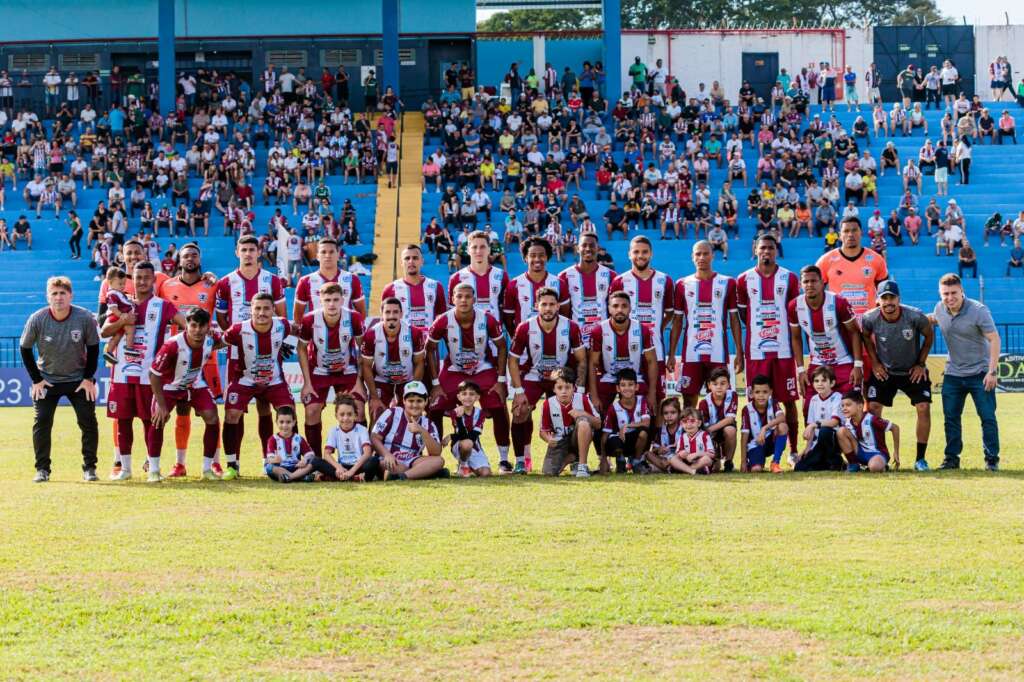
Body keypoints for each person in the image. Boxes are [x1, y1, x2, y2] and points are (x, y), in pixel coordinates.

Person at [101, 262, 186, 481]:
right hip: (121, 375)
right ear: (132, 279)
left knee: (152, 422)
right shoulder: (122, 303)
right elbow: (104, 332)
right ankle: (126, 469)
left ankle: (154, 469)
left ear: (153, 280)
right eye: (138, 277)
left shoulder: (162, 306)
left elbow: (187, 326)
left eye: (147, 277)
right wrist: (122, 320)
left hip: (150, 377)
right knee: (123, 421)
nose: (142, 282)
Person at [215, 236, 287, 465]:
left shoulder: (273, 281)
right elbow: (221, 316)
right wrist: (240, 337)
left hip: (269, 353)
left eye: (251, 250)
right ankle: (233, 462)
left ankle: (268, 459)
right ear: (237, 252)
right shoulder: (226, 283)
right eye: (243, 249)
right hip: (238, 357)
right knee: (235, 409)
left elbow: (282, 315)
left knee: (265, 407)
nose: (247, 254)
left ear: (259, 253)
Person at [21, 276, 100, 482]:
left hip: (78, 379)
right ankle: (42, 469)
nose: (58, 297)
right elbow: (25, 348)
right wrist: (36, 379)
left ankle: (89, 468)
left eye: (62, 293)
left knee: (88, 422)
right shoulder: (37, 318)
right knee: (42, 422)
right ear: (48, 297)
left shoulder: (84, 318)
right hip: (47, 379)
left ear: (70, 295)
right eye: (54, 293)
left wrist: (88, 378)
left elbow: (93, 349)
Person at [427, 283, 510, 467]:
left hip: (482, 368)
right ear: (452, 299)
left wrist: (501, 380)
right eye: (459, 296)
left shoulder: (487, 319)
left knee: (498, 404)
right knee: (435, 407)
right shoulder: (442, 320)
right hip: (455, 369)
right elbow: (430, 348)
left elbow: (503, 346)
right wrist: (435, 383)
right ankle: (433, 456)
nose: (463, 300)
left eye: (467, 296)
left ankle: (504, 459)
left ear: (475, 299)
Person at [507, 287, 586, 473]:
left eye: (552, 304)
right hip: (535, 375)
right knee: (519, 411)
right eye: (544, 304)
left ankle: (574, 458)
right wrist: (518, 392)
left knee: (574, 414)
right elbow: (513, 360)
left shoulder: (571, 327)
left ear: (558, 306)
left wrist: (579, 392)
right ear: (537, 306)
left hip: (561, 378)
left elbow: (582, 360)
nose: (548, 308)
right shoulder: (525, 327)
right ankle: (521, 460)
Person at [736, 235, 800, 458]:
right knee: (755, 402)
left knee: (789, 401)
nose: (766, 252)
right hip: (756, 352)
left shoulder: (790, 279)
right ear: (755, 249)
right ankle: (756, 450)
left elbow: (794, 312)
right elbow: (744, 313)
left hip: (783, 352)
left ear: (776, 251)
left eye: (770, 248)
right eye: (762, 248)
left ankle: (793, 451)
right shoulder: (743, 280)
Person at [220, 293, 297, 479]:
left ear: (273, 310)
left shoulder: (283, 326)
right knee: (231, 414)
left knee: (288, 412)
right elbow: (216, 343)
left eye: (266, 308)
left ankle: (281, 461)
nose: (261, 313)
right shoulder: (237, 330)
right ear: (251, 310)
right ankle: (232, 465)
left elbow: (302, 331)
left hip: (274, 380)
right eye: (257, 308)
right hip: (244, 380)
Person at [929, 273, 1001, 470]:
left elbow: (994, 339)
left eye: (954, 293)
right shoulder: (939, 308)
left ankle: (991, 459)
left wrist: (992, 371)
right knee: (951, 418)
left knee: (987, 417)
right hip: (953, 373)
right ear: (940, 294)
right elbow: (934, 319)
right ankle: (951, 459)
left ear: (962, 291)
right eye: (945, 294)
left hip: (980, 372)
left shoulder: (978, 310)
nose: (950, 298)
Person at [861, 280, 933, 471]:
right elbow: (865, 336)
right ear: (878, 300)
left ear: (898, 299)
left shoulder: (915, 316)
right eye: (884, 298)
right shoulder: (870, 318)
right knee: (873, 408)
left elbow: (929, 335)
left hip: (912, 371)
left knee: (923, 407)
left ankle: (920, 459)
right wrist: (875, 362)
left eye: (892, 297)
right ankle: (878, 454)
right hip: (886, 371)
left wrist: (920, 363)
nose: (888, 302)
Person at [147, 308, 224, 480]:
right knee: (158, 419)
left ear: (208, 327)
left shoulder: (211, 340)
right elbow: (153, 374)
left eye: (202, 326)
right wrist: (160, 405)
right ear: (186, 325)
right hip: (169, 387)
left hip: (194, 384)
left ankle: (207, 469)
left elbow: (228, 339)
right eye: (193, 325)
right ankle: (153, 470)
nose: (197, 330)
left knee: (212, 417)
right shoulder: (172, 345)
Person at [669, 241, 743, 408]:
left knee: (720, 400)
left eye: (705, 253)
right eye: (697, 254)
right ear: (692, 257)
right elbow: (677, 321)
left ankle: (718, 433)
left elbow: (734, 319)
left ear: (713, 255)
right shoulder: (682, 284)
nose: (701, 257)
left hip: (718, 353)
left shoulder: (727, 283)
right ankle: (691, 434)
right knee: (688, 400)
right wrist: (672, 353)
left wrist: (739, 351)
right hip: (691, 354)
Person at [297, 282, 365, 456]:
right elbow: (301, 348)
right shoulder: (309, 320)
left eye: (336, 299)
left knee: (358, 408)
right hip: (319, 372)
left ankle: (360, 457)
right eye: (327, 300)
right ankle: (316, 460)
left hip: (347, 371)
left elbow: (363, 350)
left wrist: (359, 382)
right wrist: (306, 382)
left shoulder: (354, 318)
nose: (332, 304)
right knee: (311, 411)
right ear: (321, 300)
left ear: (343, 300)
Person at [610, 236, 674, 400]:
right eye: (636, 252)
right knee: (628, 397)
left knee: (658, 398)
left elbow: (670, 312)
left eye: (644, 252)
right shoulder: (619, 281)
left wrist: (657, 328)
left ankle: (657, 427)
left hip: (657, 350)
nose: (640, 256)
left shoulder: (664, 280)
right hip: (627, 352)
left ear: (651, 254)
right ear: (629, 254)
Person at [788, 265, 863, 395]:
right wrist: (800, 370)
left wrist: (857, 365)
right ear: (800, 284)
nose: (810, 285)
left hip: (843, 360)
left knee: (851, 405)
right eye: (806, 281)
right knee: (810, 408)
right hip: (818, 362)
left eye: (814, 281)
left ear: (822, 283)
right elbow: (795, 337)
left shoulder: (838, 302)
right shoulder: (794, 306)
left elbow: (855, 332)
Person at [588, 291, 659, 416]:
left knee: (649, 410)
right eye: (615, 306)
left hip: (635, 378)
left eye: (624, 306)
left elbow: (651, 361)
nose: (620, 309)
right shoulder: (598, 331)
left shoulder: (642, 330)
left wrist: (652, 392)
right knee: (596, 412)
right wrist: (593, 395)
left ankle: (646, 433)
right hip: (609, 377)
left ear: (630, 308)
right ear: (609, 309)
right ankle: (603, 434)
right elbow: (593, 363)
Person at [369, 380, 446, 480]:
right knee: (386, 464)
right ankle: (424, 473)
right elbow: (374, 437)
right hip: (390, 459)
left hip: (412, 460)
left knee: (439, 461)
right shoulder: (391, 413)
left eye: (419, 401)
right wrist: (386, 454)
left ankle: (404, 476)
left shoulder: (429, 424)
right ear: (404, 401)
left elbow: (436, 453)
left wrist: (422, 431)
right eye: (411, 401)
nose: (415, 405)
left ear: (426, 401)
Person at [816, 217, 888, 317]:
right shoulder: (825, 261)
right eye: (846, 231)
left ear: (861, 233)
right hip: (838, 322)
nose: (850, 234)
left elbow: (885, 293)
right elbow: (816, 293)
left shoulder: (877, 259)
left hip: (868, 322)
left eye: (854, 230)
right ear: (840, 235)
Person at [539, 367, 600, 478]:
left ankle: (582, 465)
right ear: (554, 389)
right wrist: (548, 439)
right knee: (549, 472)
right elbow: (543, 431)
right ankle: (571, 457)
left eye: (567, 387)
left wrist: (583, 413)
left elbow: (598, 423)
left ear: (574, 388)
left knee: (583, 422)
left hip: (577, 438)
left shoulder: (583, 399)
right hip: (560, 441)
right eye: (560, 387)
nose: (564, 391)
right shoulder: (548, 404)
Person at [559, 232, 617, 347]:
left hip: (603, 342)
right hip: (574, 343)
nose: (588, 249)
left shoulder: (611, 276)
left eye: (592, 245)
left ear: (597, 248)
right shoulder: (564, 276)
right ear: (577, 248)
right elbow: (561, 312)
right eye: (584, 245)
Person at [293, 238, 366, 319]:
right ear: (317, 256)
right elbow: (298, 317)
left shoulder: (352, 279)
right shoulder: (305, 281)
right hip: (315, 331)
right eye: (323, 252)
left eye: (331, 252)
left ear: (338, 255)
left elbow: (361, 314)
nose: (327, 255)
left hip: (345, 331)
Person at [502, 237, 562, 333]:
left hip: (554, 344)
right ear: (526, 258)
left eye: (541, 255)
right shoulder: (514, 285)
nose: (537, 259)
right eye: (532, 255)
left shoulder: (559, 283)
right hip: (524, 345)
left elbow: (565, 315)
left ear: (547, 257)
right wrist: (518, 339)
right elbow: (508, 319)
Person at [448, 230, 509, 323]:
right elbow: (451, 312)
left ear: (489, 249)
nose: (478, 251)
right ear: (468, 250)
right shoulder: (457, 278)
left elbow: (507, 309)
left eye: (482, 247)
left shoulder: (501, 276)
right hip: (467, 335)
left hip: (495, 336)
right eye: (474, 247)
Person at [793, 366, 844, 472]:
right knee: (799, 468)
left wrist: (814, 424)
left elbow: (834, 422)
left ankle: (835, 461)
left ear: (832, 383)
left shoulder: (837, 397)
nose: (820, 384)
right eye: (816, 381)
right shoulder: (814, 399)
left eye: (824, 380)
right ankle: (827, 464)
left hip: (833, 440)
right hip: (818, 443)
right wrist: (807, 448)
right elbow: (811, 428)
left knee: (825, 431)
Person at [600, 369, 651, 475]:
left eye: (630, 384)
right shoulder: (613, 407)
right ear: (618, 388)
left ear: (636, 387)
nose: (627, 388)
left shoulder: (642, 401)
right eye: (623, 385)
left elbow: (646, 423)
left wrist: (627, 425)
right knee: (612, 438)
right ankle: (620, 460)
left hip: (635, 441)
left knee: (644, 432)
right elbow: (605, 434)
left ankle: (636, 462)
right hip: (621, 441)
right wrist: (603, 459)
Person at [322, 393, 382, 481]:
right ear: (336, 416)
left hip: (358, 466)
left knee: (374, 461)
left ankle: (341, 477)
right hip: (343, 466)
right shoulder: (334, 430)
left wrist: (352, 471)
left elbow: (367, 453)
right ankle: (353, 477)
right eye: (342, 415)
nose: (346, 418)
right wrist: (338, 467)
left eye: (349, 414)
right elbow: (326, 454)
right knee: (316, 461)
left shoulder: (362, 430)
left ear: (355, 415)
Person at [838, 390, 900, 473]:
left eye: (848, 405)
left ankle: (882, 466)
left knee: (874, 467)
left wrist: (896, 452)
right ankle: (853, 464)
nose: (844, 408)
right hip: (859, 451)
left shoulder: (872, 419)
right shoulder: (848, 422)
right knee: (841, 431)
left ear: (860, 406)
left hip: (877, 454)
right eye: (842, 406)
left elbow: (895, 428)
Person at [740, 374, 790, 473]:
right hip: (755, 444)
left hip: (770, 441)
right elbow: (744, 437)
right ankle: (754, 463)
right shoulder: (747, 409)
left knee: (783, 426)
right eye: (757, 392)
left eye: (765, 392)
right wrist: (743, 461)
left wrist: (764, 428)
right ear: (752, 393)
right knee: (756, 469)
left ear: (770, 392)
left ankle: (775, 463)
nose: (761, 395)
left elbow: (781, 417)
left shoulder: (773, 403)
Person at [445, 381, 491, 477]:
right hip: (460, 445)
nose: (468, 397)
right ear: (459, 397)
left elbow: (474, 436)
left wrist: (451, 436)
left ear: (477, 397)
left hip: (474, 446)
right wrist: (458, 418)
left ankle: (471, 466)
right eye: (464, 394)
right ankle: (463, 465)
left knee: (486, 473)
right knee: (466, 444)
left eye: (471, 394)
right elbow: (462, 436)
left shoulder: (481, 413)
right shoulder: (455, 412)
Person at [698, 367, 739, 471]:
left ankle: (728, 462)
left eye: (723, 383)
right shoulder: (704, 403)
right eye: (715, 384)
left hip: (722, 428)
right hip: (711, 434)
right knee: (715, 469)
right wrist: (710, 432)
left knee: (730, 430)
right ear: (709, 385)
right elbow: (704, 429)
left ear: (729, 384)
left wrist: (711, 429)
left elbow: (730, 419)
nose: (719, 387)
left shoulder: (732, 395)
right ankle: (716, 457)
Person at [263, 406, 316, 482]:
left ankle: (287, 477)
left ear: (294, 422)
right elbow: (269, 459)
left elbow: (310, 454)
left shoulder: (298, 439)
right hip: (280, 467)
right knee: (269, 467)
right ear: (276, 422)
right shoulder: (273, 439)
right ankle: (298, 477)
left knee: (312, 463)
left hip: (296, 467)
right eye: (281, 422)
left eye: (288, 422)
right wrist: (274, 459)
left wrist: (305, 460)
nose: (284, 425)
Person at [101, 267, 136, 365]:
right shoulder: (112, 293)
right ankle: (129, 349)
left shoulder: (119, 293)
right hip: (117, 317)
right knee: (130, 329)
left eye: (124, 284)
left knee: (117, 336)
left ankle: (109, 352)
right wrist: (121, 315)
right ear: (110, 282)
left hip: (119, 317)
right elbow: (113, 307)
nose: (122, 286)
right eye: (120, 284)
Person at [668, 407, 716, 475]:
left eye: (692, 421)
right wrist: (682, 453)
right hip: (687, 461)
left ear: (699, 423)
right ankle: (693, 471)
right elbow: (678, 452)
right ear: (681, 424)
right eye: (685, 421)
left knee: (707, 459)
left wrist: (696, 454)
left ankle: (683, 469)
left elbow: (711, 454)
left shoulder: (704, 435)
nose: (689, 424)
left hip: (699, 462)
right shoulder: (682, 437)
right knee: (672, 458)